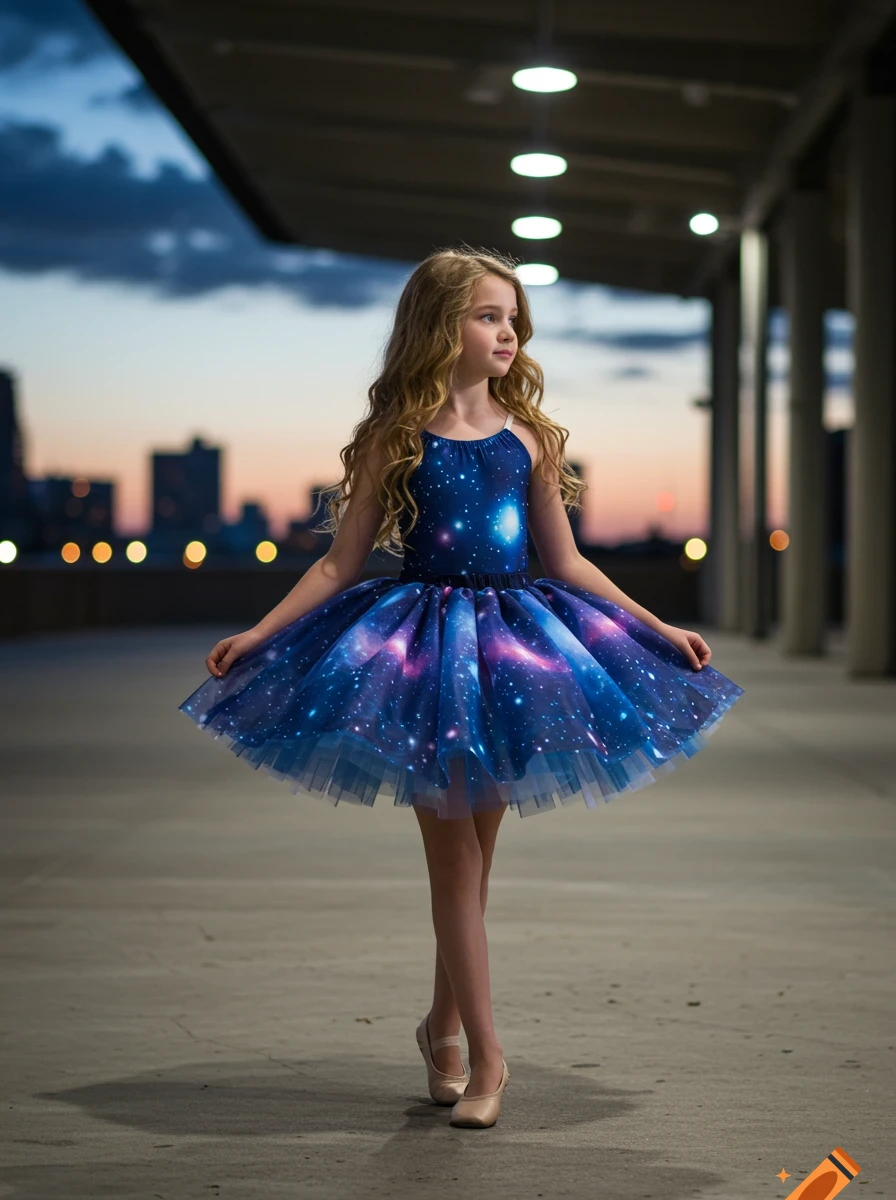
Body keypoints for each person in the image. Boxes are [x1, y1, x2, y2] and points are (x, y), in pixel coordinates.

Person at [178, 246, 745, 1129]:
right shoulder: (394, 439)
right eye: (488, 316)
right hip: (425, 656)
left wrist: (656, 625)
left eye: (513, 318)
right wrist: (260, 633)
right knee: (453, 865)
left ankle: (440, 1026)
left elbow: (567, 561)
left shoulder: (532, 440)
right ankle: (488, 1057)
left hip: (517, 654)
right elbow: (338, 563)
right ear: (439, 328)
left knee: (474, 870)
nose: (507, 333)